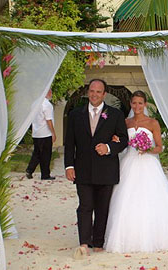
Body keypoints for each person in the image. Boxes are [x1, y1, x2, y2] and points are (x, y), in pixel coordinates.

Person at [104, 90, 168, 253]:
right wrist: (116, 140)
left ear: (145, 105)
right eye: (134, 103)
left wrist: (147, 148)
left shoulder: (153, 123)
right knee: (126, 198)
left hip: (148, 163)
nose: (137, 106)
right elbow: (121, 140)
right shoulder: (125, 122)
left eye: (140, 103)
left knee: (151, 198)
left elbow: (159, 147)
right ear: (131, 104)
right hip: (129, 162)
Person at [64, 79, 128, 257]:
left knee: (102, 207)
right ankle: (84, 243)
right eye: (92, 91)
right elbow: (69, 143)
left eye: (98, 92)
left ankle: (98, 242)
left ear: (104, 94)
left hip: (106, 169)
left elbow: (123, 140)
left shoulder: (115, 114)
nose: (94, 94)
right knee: (85, 206)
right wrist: (69, 165)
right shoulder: (76, 114)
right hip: (82, 168)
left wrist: (108, 148)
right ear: (88, 92)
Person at [26, 89, 56, 180]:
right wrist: (53, 133)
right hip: (45, 133)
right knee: (46, 155)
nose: (51, 94)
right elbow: (48, 120)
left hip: (36, 132)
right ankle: (45, 174)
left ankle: (30, 170)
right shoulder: (47, 105)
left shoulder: (35, 103)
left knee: (37, 153)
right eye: (50, 92)